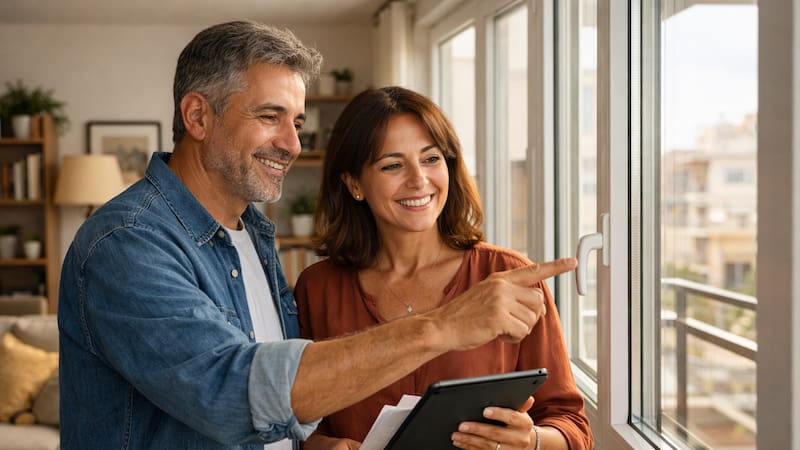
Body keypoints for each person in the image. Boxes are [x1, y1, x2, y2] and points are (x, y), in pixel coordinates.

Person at [57, 21, 578, 450]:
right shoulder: (128, 244)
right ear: (197, 115)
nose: (291, 143)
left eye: (298, 122)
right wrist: (443, 326)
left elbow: (290, 402)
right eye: (269, 116)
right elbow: (237, 392)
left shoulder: (254, 238)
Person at [295, 86, 593, 450]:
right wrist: (319, 446)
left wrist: (530, 440)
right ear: (354, 183)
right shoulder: (317, 288)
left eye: (431, 159)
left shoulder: (507, 276)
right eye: (392, 165)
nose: (418, 180)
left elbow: (573, 428)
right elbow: (295, 417)